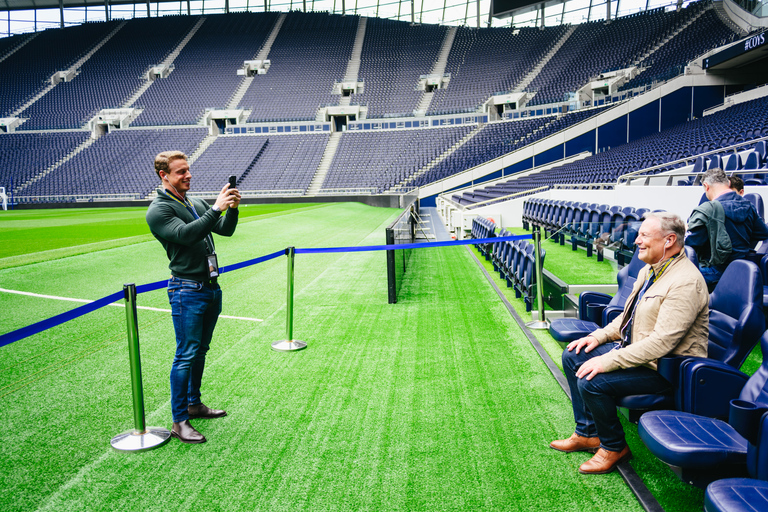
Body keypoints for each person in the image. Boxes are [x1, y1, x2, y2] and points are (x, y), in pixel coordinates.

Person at [550, 212, 709, 474]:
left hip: (666, 368)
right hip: (638, 353)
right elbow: (627, 318)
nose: (636, 241)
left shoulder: (686, 282)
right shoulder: (650, 269)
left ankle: (614, 447)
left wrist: (607, 360)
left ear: (669, 240)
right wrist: (596, 337)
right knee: (573, 355)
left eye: (644, 235)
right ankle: (588, 433)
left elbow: (661, 344)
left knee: (591, 381)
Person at [146, 150, 241, 444]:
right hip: (186, 289)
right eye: (180, 172)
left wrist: (232, 208)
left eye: (188, 169)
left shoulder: (194, 201)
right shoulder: (159, 209)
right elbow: (186, 235)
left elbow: (224, 230)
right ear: (164, 176)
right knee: (185, 354)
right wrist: (215, 209)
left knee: (200, 351)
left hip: (210, 287)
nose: (187, 175)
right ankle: (179, 421)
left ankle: (194, 404)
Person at [686, 168, 768, 289]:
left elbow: (691, 245)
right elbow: (763, 233)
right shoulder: (749, 206)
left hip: (713, 271)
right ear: (728, 183)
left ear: (706, 186)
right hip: (740, 270)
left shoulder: (707, 209)